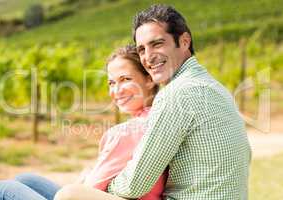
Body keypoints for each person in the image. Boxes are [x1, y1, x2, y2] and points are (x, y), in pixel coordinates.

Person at [54, 4, 251, 200]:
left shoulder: (177, 94)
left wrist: (95, 189)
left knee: (69, 194)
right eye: (141, 49)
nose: (148, 57)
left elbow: (135, 185)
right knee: (32, 182)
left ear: (184, 41)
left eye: (157, 44)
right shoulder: (216, 87)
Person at [0, 45, 167, 200]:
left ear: (150, 79)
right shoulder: (160, 119)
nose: (116, 91)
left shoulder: (127, 133)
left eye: (125, 79)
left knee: (2, 189)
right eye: (111, 83)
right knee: (25, 179)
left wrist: (84, 178)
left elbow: (87, 189)